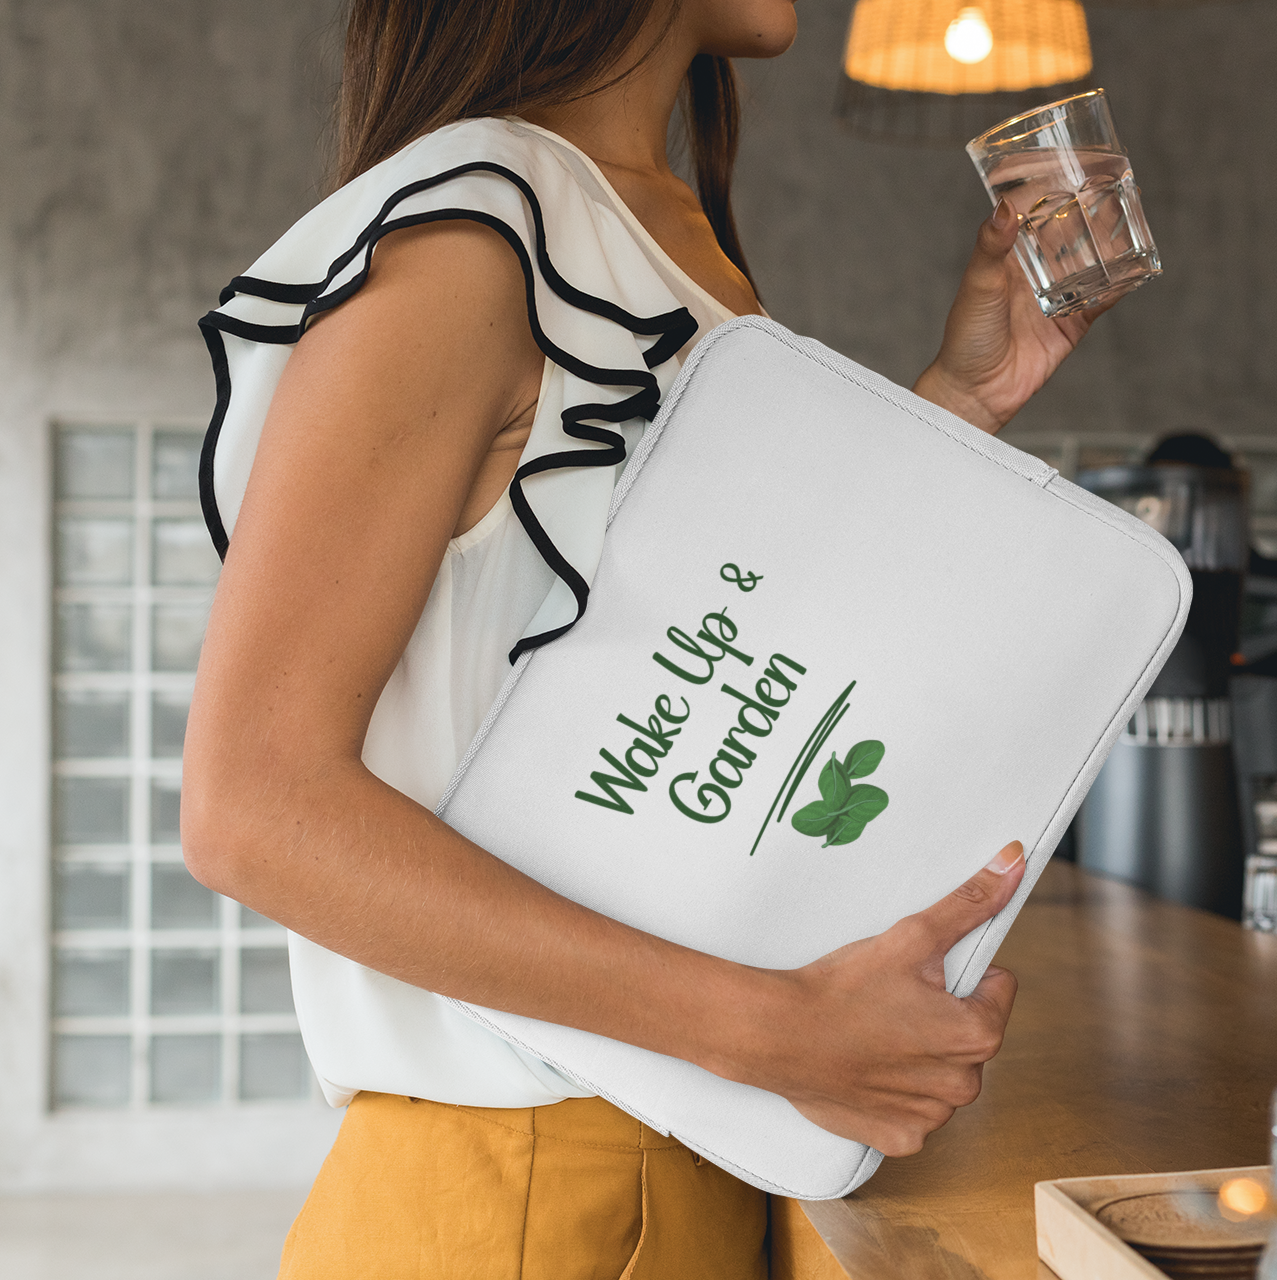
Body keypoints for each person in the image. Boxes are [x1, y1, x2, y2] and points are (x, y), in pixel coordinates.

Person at [180, 1, 1116, 1276]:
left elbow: (709, 671)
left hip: (668, 1164)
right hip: (529, 1194)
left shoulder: (654, 229)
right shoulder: (473, 231)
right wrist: (776, 1027)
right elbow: (253, 808)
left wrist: (961, 400)